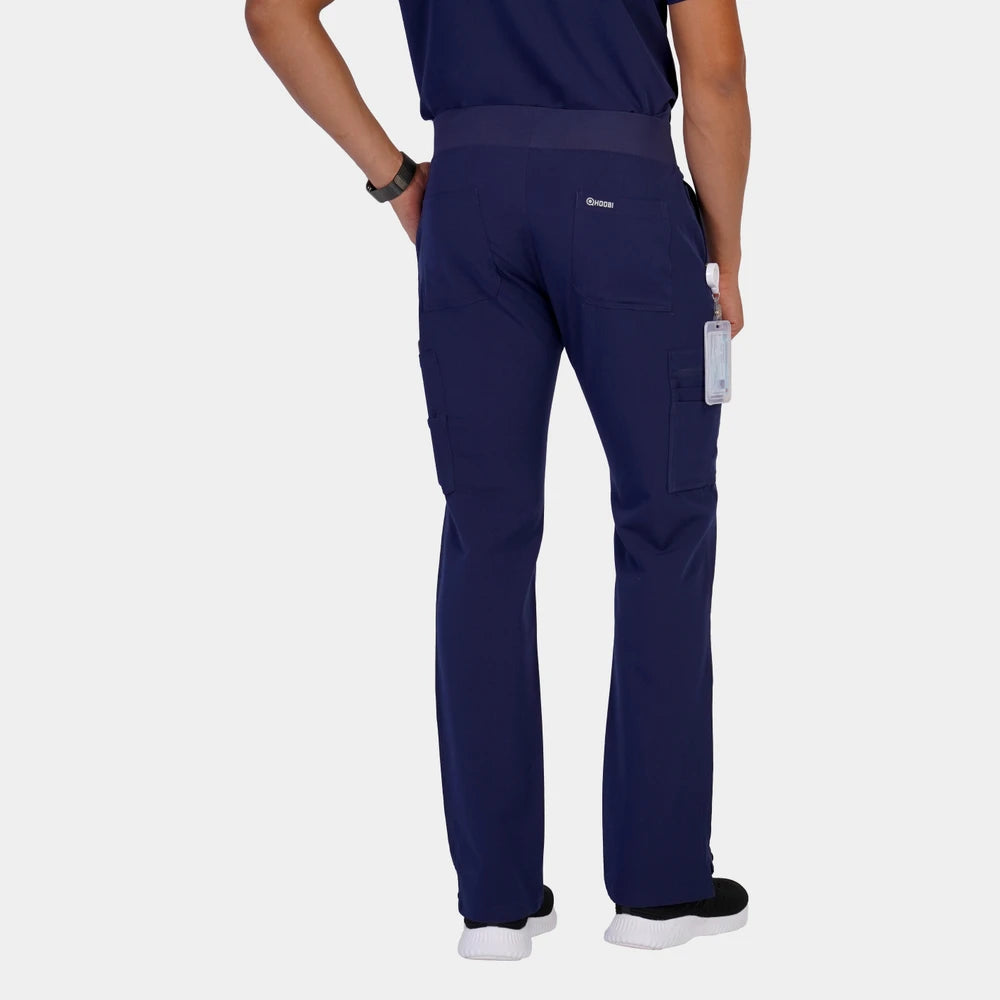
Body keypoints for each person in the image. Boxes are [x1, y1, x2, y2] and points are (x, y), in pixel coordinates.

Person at [246, 0, 751, 960]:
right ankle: (658, 888)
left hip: (468, 205)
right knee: (665, 525)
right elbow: (716, 74)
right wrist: (725, 250)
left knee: (486, 537)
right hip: (627, 199)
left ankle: (494, 904)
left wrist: (397, 178)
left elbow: (274, 15)